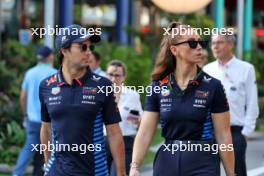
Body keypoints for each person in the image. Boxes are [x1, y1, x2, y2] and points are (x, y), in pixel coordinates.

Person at [129, 22, 235, 176]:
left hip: (202, 162)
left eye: (201, 42)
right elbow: (145, 132)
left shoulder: (213, 86)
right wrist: (135, 166)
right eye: (192, 43)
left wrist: (231, 173)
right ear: (174, 49)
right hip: (167, 162)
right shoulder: (158, 85)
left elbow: (224, 135)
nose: (199, 47)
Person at [39, 24, 125, 176]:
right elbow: (46, 128)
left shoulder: (103, 84)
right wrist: (47, 164)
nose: (89, 52)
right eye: (82, 47)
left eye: (90, 47)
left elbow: (114, 132)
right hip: (56, 171)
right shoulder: (46, 85)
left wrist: (121, 172)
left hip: (93, 171)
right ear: (64, 50)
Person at [203, 33, 259, 176]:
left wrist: (245, 132)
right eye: (213, 43)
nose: (215, 46)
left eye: (220, 42)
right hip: (210, 132)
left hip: (235, 132)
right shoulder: (207, 70)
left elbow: (252, 102)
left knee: (236, 172)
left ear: (231, 45)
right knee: (209, 172)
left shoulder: (246, 69)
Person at [13, 46, 57, 176]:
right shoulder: (54, 74)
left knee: (28, 148)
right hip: (50, 121)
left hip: (32, 119)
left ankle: (17, 174)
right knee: (51, 150)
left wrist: (25, 114)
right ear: (50, 57)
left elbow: (22, 97)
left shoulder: (30, 73)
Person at [105, 60, 143, 175]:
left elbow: (140, 119)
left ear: (124, 77)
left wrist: (138, 121)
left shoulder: (133, 95)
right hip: (103, 142)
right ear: (106, 75)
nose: (113, 78)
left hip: (125, 141)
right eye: (110, 74)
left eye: (117, 75)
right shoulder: (100, 95)